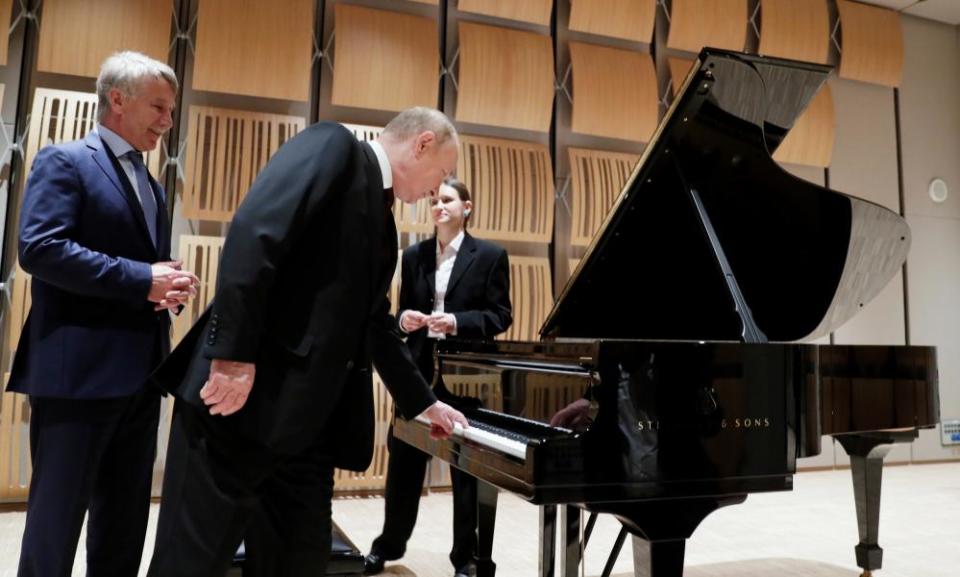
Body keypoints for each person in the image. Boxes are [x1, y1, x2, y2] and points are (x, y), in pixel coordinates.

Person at [146, 107, 470, 577]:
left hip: (306, 433)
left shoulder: (384, 224)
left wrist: (424, 403)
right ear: (421, 143)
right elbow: (256, 233)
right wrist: (232, 356)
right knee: (191, 562)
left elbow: (374, 324)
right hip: (238, 409)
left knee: (299, 562)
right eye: (441, 172)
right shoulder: (334, 146)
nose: (436, 189)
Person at [7, 51, 198, 577]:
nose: (168, 119)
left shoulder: (153, 184)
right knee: (57, 521)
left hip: (141, 377)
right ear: (117, 99)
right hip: (77, 375)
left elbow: (136, 269)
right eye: (159, 106)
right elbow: (41, 249)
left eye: (171, 109)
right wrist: (142, 279)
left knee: (125, 519)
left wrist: (164, 286)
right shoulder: (65, 160)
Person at [364, 177, 511, 577]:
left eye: (447, 199)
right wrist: (404, 319)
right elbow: (400, 313)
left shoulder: (491, 256)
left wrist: (457, 322)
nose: (438, 205)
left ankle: (465, 558)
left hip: (466, 379)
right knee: (402, 472)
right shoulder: (413, 256)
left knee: (465, 476)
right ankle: (387, 545)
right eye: (434, 199)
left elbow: (501, 316)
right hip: (417, 374)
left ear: (467, 207)